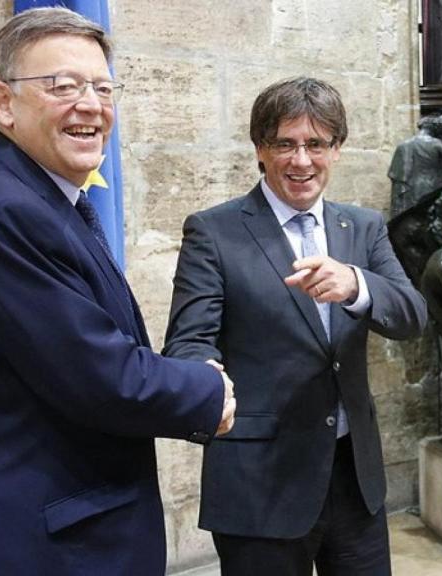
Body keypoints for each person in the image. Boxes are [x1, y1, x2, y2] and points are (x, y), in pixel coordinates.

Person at [0, 8, 236, 575]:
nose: (90, 104)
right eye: (62, 86)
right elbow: (99, 375)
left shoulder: (45, 201)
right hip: (36, 545)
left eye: (102, 86)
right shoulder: (6, 213)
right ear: (3, 102)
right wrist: (206, 391)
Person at [164, 77, 427, 576]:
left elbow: (412, 314)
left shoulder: (362, 227)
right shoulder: (214, 231)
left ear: (337, 149)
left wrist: (355, 285)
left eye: (315, 144)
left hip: (355, 481)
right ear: (260, 149)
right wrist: (205, 380)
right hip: (260, 483)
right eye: (284, 144)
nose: (301, 161)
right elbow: (187, 342)